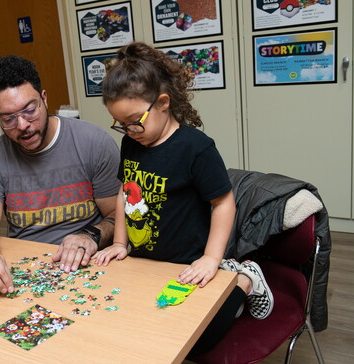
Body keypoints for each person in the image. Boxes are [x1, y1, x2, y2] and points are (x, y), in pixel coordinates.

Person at [92, 42, 274, 354]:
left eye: (135, 120)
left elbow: (223, 202)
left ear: (162, 103)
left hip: (189, 261)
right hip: (146, 260)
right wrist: (120, 243)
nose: (130, 130)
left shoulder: (196, 148)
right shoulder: (132, 144)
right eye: (121, 125)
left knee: (198, 343)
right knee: (133, 326)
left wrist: (211, 259)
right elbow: (125, 191)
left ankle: (243, 278)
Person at [0, 55, 121, 295]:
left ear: (44, 99)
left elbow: (117, 215)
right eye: (7, 119)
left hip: (86, 266)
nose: (22, 125)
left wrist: (90, 235)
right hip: (24, 271)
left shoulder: (93, 142)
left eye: (30, 110)